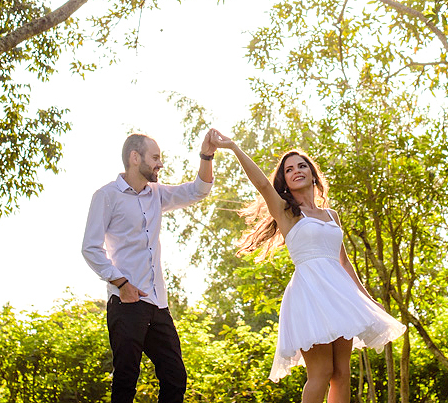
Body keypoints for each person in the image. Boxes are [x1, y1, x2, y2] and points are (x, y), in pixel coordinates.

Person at [208, 130, 405, 403]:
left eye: (302, 165)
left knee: (342, 373)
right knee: (321, 372)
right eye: (289, 169)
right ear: (286, 182)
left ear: (314, 174)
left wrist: (368, 300)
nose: (296, 170)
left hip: (340, 296)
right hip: (310, 295)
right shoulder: (286, 213)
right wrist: (232, 147)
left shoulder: (331, 215)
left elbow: (344, 262)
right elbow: (263, 185)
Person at [81, 130, 217, 403]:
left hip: (158, 304)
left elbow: (198, 190)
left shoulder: (157, 194)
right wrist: (121, 283)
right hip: (127, 302)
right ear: (134, 157)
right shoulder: (107, 196)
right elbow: (90, 248)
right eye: (155, 157)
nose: (160, 164)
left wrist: (207, 154)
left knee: (175, 377)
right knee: (125, 381)